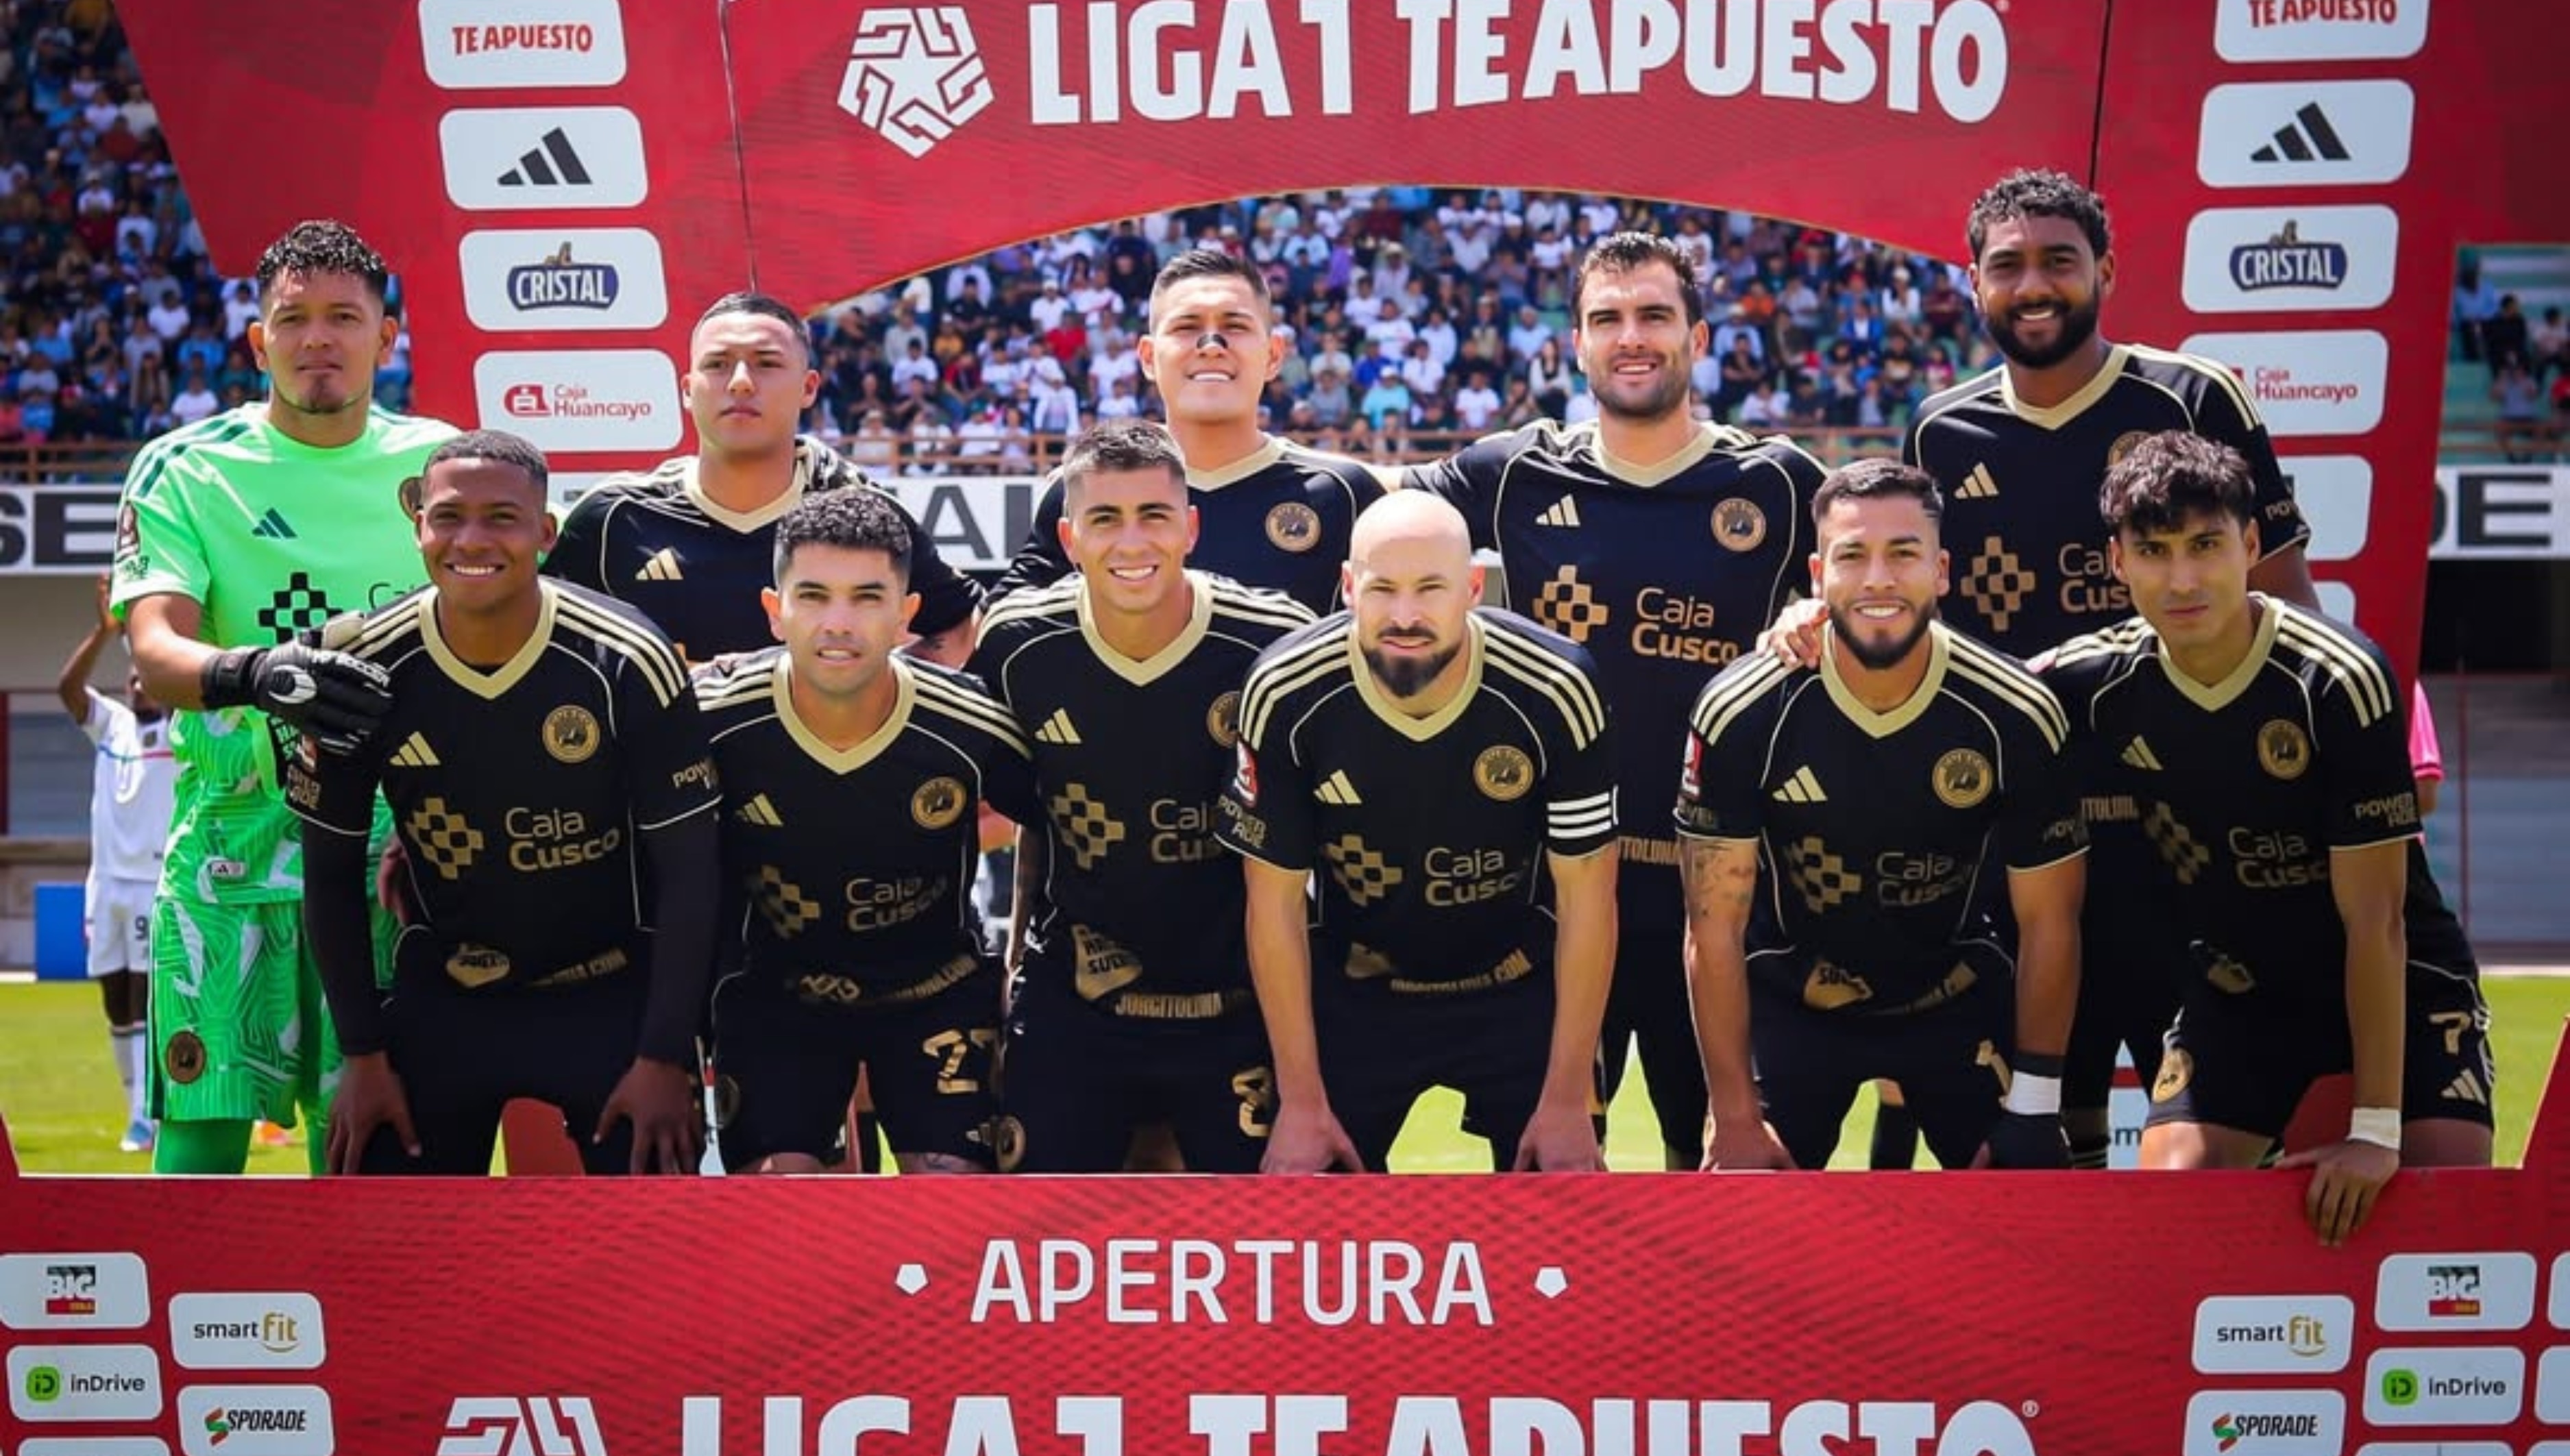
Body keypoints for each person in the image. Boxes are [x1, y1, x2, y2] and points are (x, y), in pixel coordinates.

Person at [1856, 169, 2325, 1172]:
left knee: (2200, 1169)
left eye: (2058, 262)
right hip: (2020, 852)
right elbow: (1906, 617)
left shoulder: (2192, 397)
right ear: (1972, 285)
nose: (2033, 286)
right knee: (2021, 1163)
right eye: (2007, 266)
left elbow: (2288, 605)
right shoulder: (1941, 429)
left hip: (2184, 842)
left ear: (2103, 271)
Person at [1405, 232, 1828, 1170]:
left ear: (1701, 337)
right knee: (1550, 1183)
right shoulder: (1512, 471)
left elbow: (1887, 575)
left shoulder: (1781, 483)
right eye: (1606, 319)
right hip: (1559, 897)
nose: (1630, 337)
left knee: (1721, 1176)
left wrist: (1818, 610)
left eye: (1653, 316)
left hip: (1720, 901)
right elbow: (1364, 514)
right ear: (1576, 344)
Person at [2036, 432, 2493, 1245]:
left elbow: (2376, 921)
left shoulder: (2338, 679)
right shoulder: (2090, 682)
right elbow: (1949, 685)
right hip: (2241, 991)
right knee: (2174, 1217)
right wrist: (1814, 624)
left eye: (2206, 546)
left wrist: (2375, 1131)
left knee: (2444, 1214)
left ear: (2250, 544)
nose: (2183, 579)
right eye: (2155, 550)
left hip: (2406, 976)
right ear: (2119, 562)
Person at [111, 219, 458, 1175]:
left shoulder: (444, 469)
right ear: (258, 341)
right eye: (293, 319)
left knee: (367, 1162)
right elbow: (155, 653)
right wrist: (255, 670)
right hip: (229, 864)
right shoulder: (185, 468)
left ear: (386, 339)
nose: (318, 340)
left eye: (344, 318)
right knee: (197, 1159)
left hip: (399, 863)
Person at [290, 431, 721, 1175]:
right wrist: (362, 1055)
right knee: (386, 1242)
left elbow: (690, 873)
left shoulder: (627, 657)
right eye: (449, 517)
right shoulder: (360, 665)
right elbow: (327, 875)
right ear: (418, 524)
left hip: (609, 994)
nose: (472, 540)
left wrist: (664, 1053)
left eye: (502, 517)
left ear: (545, 533)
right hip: (446, 993)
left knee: (663, 1255)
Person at [1677, 460, 2087, 1172]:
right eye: (1853, 555)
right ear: (1816, 572)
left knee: (2030, 1232)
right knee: (1739, 1240)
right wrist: (1735, 1116)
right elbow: (1713, 927)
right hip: (1793, 1002)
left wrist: (2034, 1106)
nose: (1878, 580)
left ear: (1943, 569)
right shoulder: (1741, 709)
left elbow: (2050, 919)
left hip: (1953, 998)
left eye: (1904, 554)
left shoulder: (2015, 711)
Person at [1220, 492, 1618, 1174]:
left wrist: (1564, 1099)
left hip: (1518, 991)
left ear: (1471, 587)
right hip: (1358, 994)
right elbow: (1274, 906)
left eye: (1430, 589)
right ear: (1348, 588)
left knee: (1565, 1232)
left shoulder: (1556, 686)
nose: (1405, 616)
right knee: (1317, 1241)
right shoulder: (1285, 690)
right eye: (1383, 590)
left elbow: (1587, 899)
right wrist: (1303, 1099)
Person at [968, 421, 1313, 1172]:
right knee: (1043, 1252)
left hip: (1236, 1010)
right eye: (1105, 519)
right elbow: (1028, 818)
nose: (1132, 542)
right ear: (1068, 537)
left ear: (1190, 527)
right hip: (1077, 1006)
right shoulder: (1018, 645)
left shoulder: (1275, 642)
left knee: (1258, 1256)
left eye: (1154, 516)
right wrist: (1006, 976)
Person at [695, 489, 1032, 1174]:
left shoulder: (975, 723)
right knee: (784, 1212)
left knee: (950, 1205)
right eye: (814, 596)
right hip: (779, 997)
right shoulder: (709, 717)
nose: (839, 623)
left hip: (934, 991)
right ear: (774, 611)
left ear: (908, 615)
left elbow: (1055, 824)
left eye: (868, 597)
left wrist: (1027, 963)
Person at [546, 291, 982, 668]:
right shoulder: (614, 518)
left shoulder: (863, 510)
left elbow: (966, 618)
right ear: (685, 388)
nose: (739, 383)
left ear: (809, 387)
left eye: (766, 363)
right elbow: (546, 646)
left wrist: (889, 678)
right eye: (717, 364)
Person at [988, 249, 1382, 615]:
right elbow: (997, 639)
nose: (1212, 346)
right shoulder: (1084, 488)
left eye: (1235, 325)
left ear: (1274, 355)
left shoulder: (1344, 495)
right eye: (1187, 326)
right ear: (1147, 357)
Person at [60, 571, 175, 1155]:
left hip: (149, 883)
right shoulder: (113, 726)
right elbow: (68, 689)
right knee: (113, 999)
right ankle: (134, 1105)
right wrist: (106, 633)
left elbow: (164, 667)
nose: (135, 683)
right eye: (129, 679)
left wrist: (142, 640)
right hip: (104, 882)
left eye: (143, 678)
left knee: (144, 994)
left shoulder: (179, 734)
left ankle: (143, 1116)